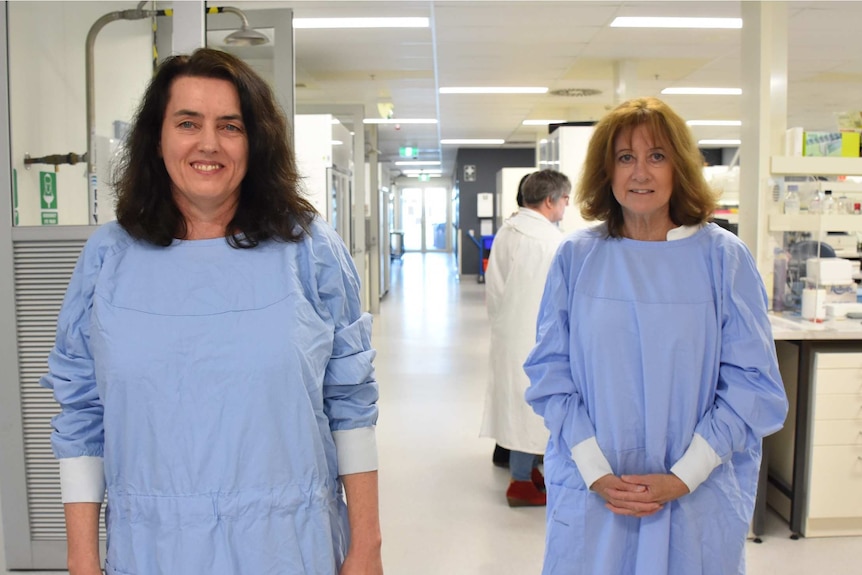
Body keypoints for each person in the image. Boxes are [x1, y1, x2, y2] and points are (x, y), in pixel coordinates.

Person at [40, 48, 382, 575]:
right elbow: (82, 415)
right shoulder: (108, 258)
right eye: (187, 123)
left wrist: (367, 548)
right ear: (157, 139)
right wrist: (81, 560)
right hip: (153, 547)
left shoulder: (309, 251)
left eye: (230, 126)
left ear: (256, 142)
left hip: (288, 544)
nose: (208, 143)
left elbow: (351, 404)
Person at [524, 97, 788, 573]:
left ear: (680, 167)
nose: (640, 172)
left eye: (656, 156)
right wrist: (595, 469)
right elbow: (550, 372)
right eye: (625, 157)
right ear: (607, 171)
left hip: (694, 498)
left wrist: (684, 476)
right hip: (598, 492)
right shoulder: (577, 258)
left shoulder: (722, 260)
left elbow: (752, 386)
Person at [481, 169, 571, 507]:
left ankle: (525, 471)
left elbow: (496, 286)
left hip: (509, 333)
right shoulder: (551, 242)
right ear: (550, 201)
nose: (566, 207)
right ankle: (520, 481)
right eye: (564, 200)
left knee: (518, 404)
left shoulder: (508, 230)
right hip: (535, 337)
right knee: (531, 408)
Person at [493, 170, 533, 469]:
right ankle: (516, 457)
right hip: (521, 328)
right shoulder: (532, 237)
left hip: (510, 326)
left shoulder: (510, 230)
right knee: (519, 393)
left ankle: (506, 450)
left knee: (511, 390)